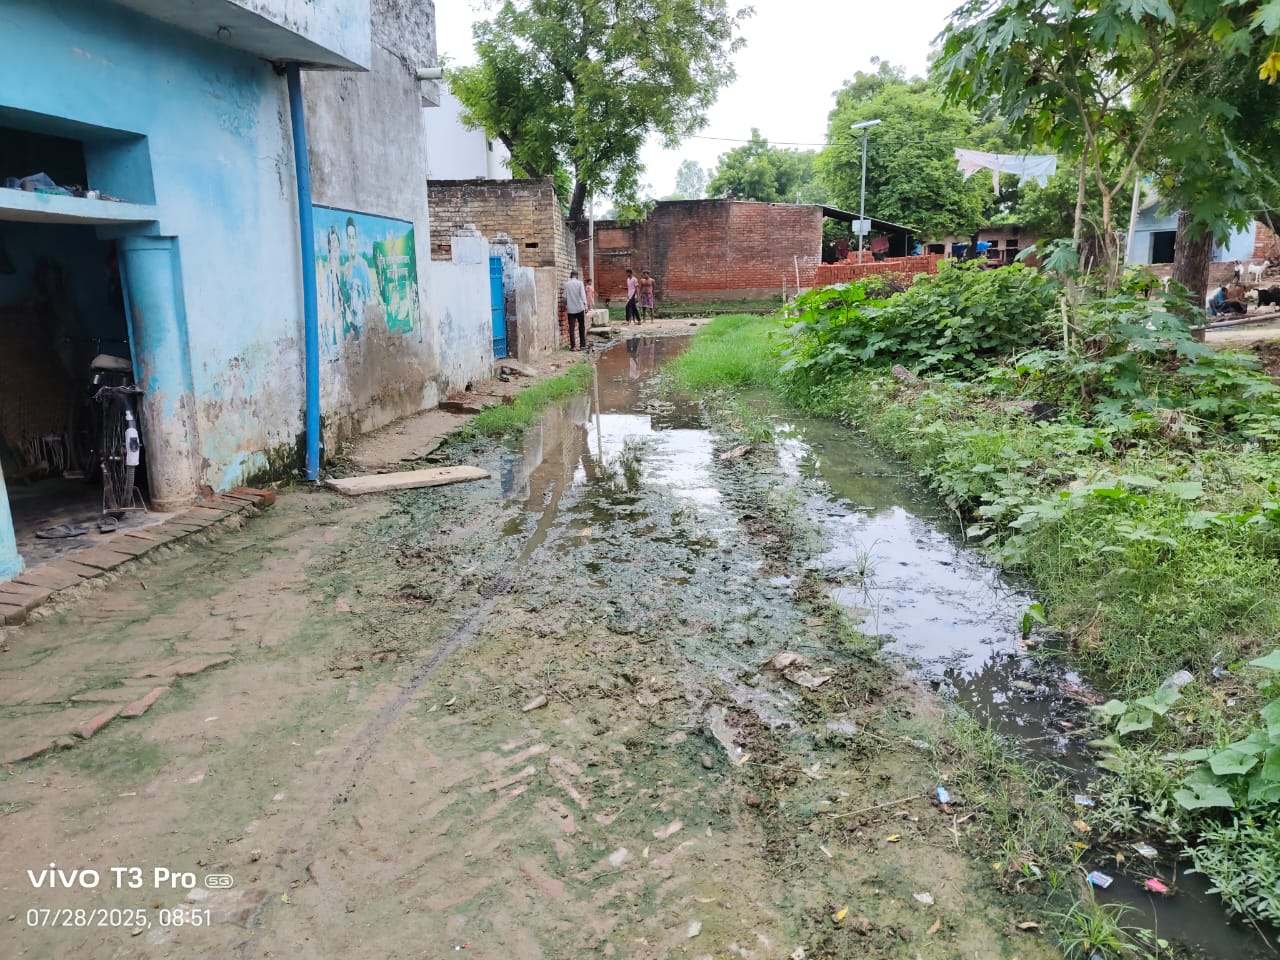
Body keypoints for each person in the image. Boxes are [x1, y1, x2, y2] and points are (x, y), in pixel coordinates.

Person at [563, 269, 588, 351]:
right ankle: (582, 345)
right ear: (577, 276)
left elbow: (564, 297)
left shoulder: (566, 284)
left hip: (571, 309)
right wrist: (586, 306)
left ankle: (573, 346)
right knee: (581, 327)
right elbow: (583, 295)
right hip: (580, 308)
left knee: (571, 328)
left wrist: (564, 306)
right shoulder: (580, 283)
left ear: (571, 275)